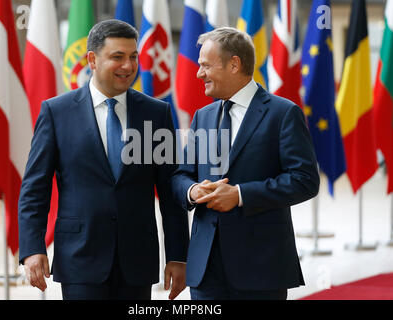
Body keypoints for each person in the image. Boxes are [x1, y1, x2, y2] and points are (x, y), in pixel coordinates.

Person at [18, 19, 189, 300]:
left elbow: (171, 192)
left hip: (137, 260)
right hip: (80, 258)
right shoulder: (56, 112)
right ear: (92, 60)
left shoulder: (156, 114)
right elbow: (34, 189)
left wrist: (178, 255)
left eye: (133, 57)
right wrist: (32, 249)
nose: (128, 65)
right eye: (117, 57)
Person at [171, 27, 320, 300]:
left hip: (261, 268)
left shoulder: (283, 113)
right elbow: (181, 175)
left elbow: (305, 180)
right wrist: (192, 191)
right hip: (206, 271)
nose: (198, 73)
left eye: (205, 65)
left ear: (234, 64)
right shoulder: (202, 117)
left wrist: (240, 195)